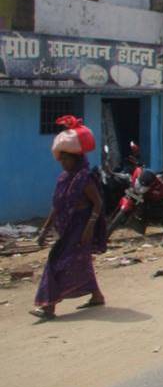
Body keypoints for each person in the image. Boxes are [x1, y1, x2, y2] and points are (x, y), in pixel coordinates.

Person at [31, 124, 108, 320]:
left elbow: (98, 204)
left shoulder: (85, 179)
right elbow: (56, 206)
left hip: (80, 228)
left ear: (76, 158)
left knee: (56, 261)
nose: (63, 162)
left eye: (67, 159)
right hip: (66, 229)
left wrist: (89, 227)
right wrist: (44, 231)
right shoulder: (64, 179)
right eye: (61, 159)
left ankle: (49, 307)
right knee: (81, 263)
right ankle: (96, 296)